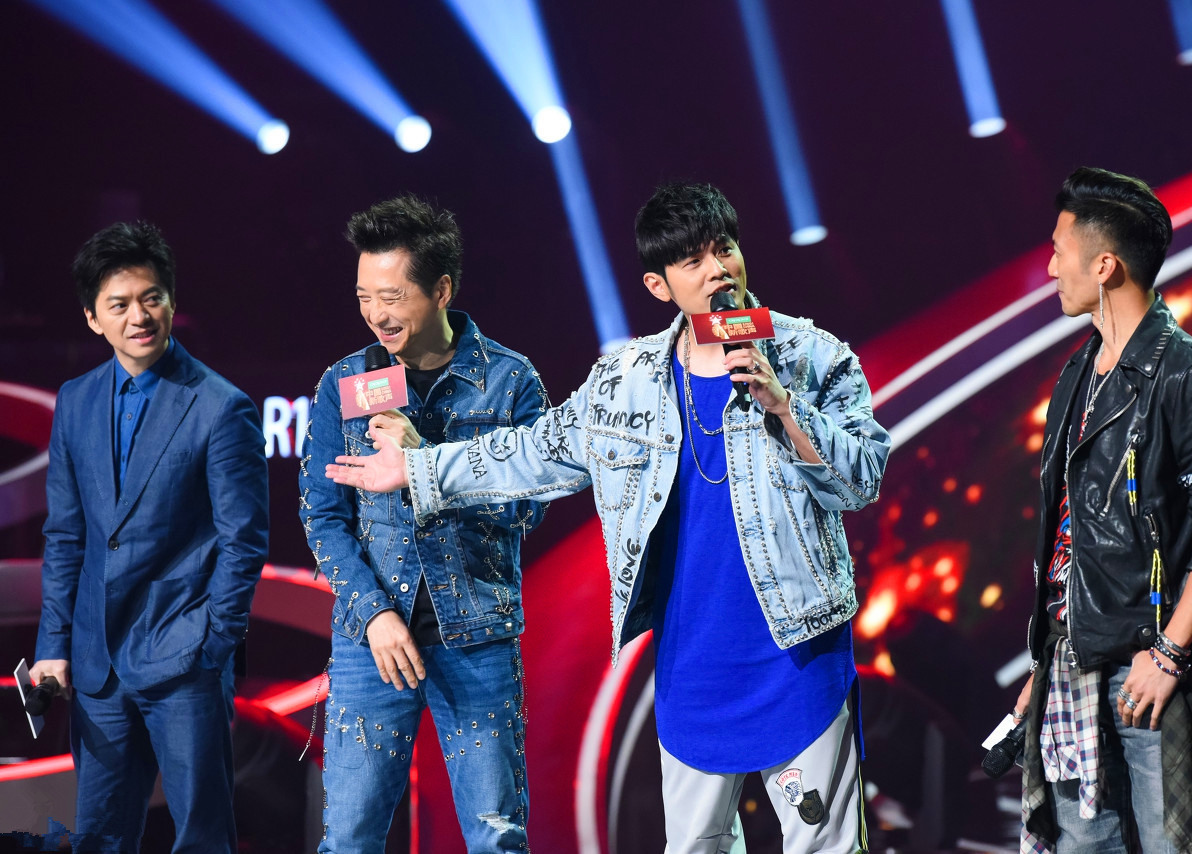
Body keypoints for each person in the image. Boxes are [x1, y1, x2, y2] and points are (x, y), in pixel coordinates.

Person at [325, 183, 891, 853]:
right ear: (659, 285)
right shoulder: (627, 379)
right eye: (693, 261)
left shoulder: (811, 355)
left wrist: (785, 409)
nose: (717, 271)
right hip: (690, 660)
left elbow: (863, 477)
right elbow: (532, 453)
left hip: (797, 650)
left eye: (725, 250)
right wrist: (420, 470)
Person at [1013, 167, 1192, 852]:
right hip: (1072, 666)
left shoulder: (1189, 375)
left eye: (1059, 253)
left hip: (1150, 670)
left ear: (1104, 266)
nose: (1049, 269)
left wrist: (1171, 652)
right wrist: (1044, 664)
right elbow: (1068, 534)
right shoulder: (1077, 374)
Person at [299, 195, 550, 853]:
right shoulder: (345, 382)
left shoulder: (509, 380)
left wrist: (427, 463)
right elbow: (322, 516)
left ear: (441, 289)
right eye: (364, 297)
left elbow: (530, 507)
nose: (376, 314)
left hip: (479, 637)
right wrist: (374, 614)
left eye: (392, 296)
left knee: (496, 839)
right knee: (349, 840)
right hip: (372, 641)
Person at [31, 221, 270, 852]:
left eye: (151, 298)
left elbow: (244, 540)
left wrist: (213, 642)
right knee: (100, 838)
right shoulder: (75, 400)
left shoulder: (221, 406)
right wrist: (53, 644)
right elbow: (66, 535)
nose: (139, 316)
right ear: (93, 318)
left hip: (185, 659)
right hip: (96, 665)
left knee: (201, 838)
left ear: (170, 300)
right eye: (119, 305)